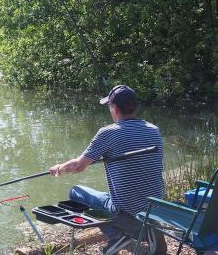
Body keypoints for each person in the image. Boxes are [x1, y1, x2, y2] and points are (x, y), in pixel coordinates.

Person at [49, 85, 167, 255]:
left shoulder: (108, 133)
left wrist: (59, 168)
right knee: (110, 194)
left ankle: (117, 234)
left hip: (127, 210)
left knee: (76, 192)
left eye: (110, 107)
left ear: (115, 108)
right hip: (154, 208)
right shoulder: (153, 130)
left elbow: (78, 166)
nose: (110, 111)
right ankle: (131, 231)